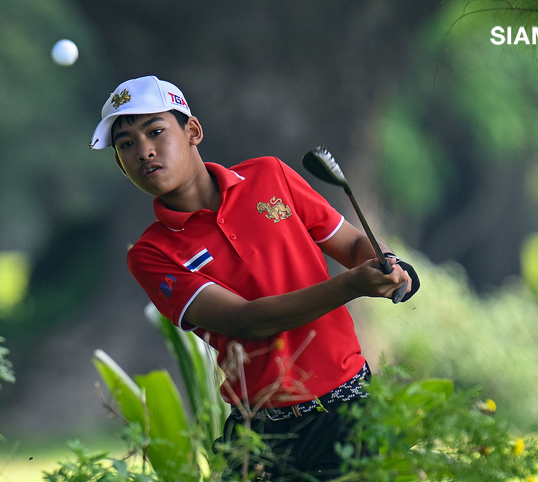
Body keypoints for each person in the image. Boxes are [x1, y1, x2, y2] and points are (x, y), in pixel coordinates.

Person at [90, 75, 419, 481]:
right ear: (121, 167)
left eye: (155, 131)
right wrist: (353, 284)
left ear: (192, 130)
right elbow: (249, 321)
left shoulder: (270, 176)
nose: (144, 151)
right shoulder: (151, 254)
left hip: (350, 406)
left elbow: (351, 246)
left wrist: (385, 261)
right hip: (264, 431)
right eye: (126, 145)